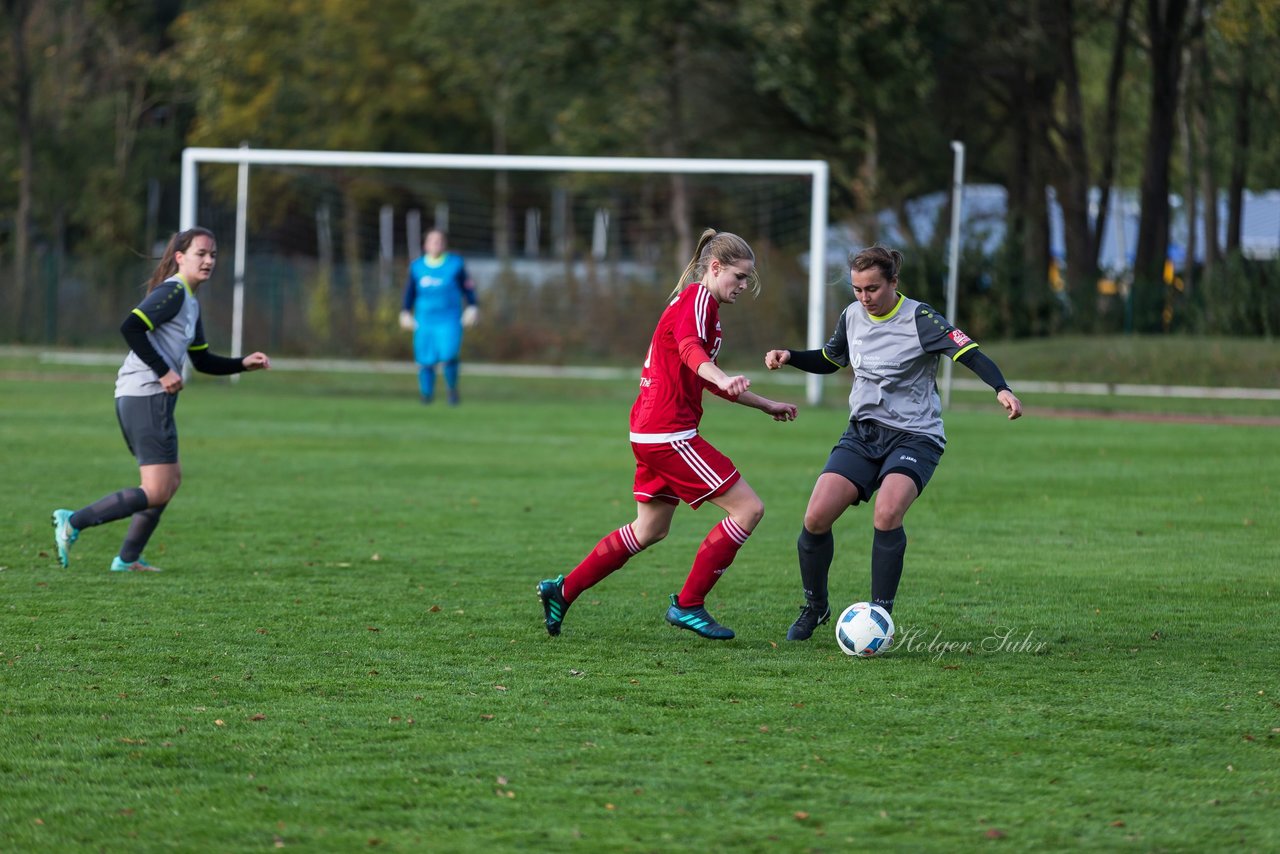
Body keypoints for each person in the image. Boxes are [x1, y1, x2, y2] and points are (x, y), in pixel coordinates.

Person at [537, 229, 798, 640]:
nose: (745, 286)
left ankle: (562, 591)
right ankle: (690, 604)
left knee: (650, 529)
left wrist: (765, 403)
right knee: (748, 509)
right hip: (668, 432)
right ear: (715, 268)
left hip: (649, 431)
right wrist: (721, 374)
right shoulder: (697, 299)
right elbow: (694, 353)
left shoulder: (704, 307)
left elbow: (703, 376)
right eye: (740, 276)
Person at [764, 245, 1022, 640]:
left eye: (872, 289)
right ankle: (815, 607)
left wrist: (1001, 389)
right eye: (857, 289)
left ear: (893, 282)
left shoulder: (920, 318)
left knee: (886, 514)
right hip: (863, 433)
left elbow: (969, 353)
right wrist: (791, 355)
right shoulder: (852, 316)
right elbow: (832, 360)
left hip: (916, 436)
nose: (865, 298)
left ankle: (879, 619)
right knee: (815, 517)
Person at [51, 227, 271, 573]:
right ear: (180, 257)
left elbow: (201, 360)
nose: (209, 260)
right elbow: (130, 327)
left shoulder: (191, 303)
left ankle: (127, 559)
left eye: (213, 254)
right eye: (201, 253)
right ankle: (73, 521)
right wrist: (163, 371)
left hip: (148, 398)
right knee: (156, 488)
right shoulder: (173, 293)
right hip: (145, 395)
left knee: (168, 483)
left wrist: (242, 363)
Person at [399, 229, 478, 405]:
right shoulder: (417, 267)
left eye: (439, 240)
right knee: (425, 359)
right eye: (432, 240)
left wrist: (472, 307)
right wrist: (404, 311)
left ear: (445, 244)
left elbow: (468, 287)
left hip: (449, 319)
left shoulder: (455, 264)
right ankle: (426, 395)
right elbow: (410, 292)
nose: (436, 244)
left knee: (448, 355)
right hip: (425, 320)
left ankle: (452, 390)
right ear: (425, 244)